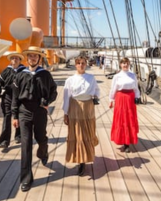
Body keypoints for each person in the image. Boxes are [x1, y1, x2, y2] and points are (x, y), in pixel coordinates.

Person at [11, 46, 58, 192]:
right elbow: (15, 96)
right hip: (24, 111)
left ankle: (43, 151)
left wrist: (47, 102)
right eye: (30, 56)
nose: (32, 58)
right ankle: (26, 179)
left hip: (39, 111)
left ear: (39, 58)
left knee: (41, 138)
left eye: (35, 56)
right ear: (27, 58)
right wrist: (14, 115)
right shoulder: (20, 75)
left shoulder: (45, 75)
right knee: (25, 145)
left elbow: (54, 91)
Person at [62, 56, 100, 176]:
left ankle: (86, 157)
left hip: (88, 107)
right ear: (75, 65)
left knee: (87, 132)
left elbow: (97, 91)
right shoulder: (70, 80)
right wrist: (66, 113)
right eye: (78, 63)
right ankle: (80, 161)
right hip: (75, 107)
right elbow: (66, 97)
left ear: (86, 64)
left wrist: (95, 97)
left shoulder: (91, 78)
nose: (81, 65)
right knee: (77, 134)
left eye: (83, 63)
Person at [109, 57, 140, 153]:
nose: (125, 65)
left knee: (130, 119)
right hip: (120, 98)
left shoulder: (132, 75)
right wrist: (111, 99)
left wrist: (137, 97)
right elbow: (113, 88)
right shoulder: (117, 76)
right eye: (123, 63)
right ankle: (122, 140)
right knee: (121, 119)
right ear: (120, 65)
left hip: (130, 98)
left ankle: (127, 143)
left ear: (129, 64)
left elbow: (135, 88)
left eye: (126, 63)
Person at [0, 52, 25, 149]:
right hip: (7, 97)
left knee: (18, 115)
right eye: (13, 58)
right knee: (7, 116)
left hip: (20, 98)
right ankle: (4, 141)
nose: (15, 59)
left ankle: (18, 136)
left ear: (20, 60)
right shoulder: (6, 71)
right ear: (10, 60)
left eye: (17, 58)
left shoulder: (24, 71)